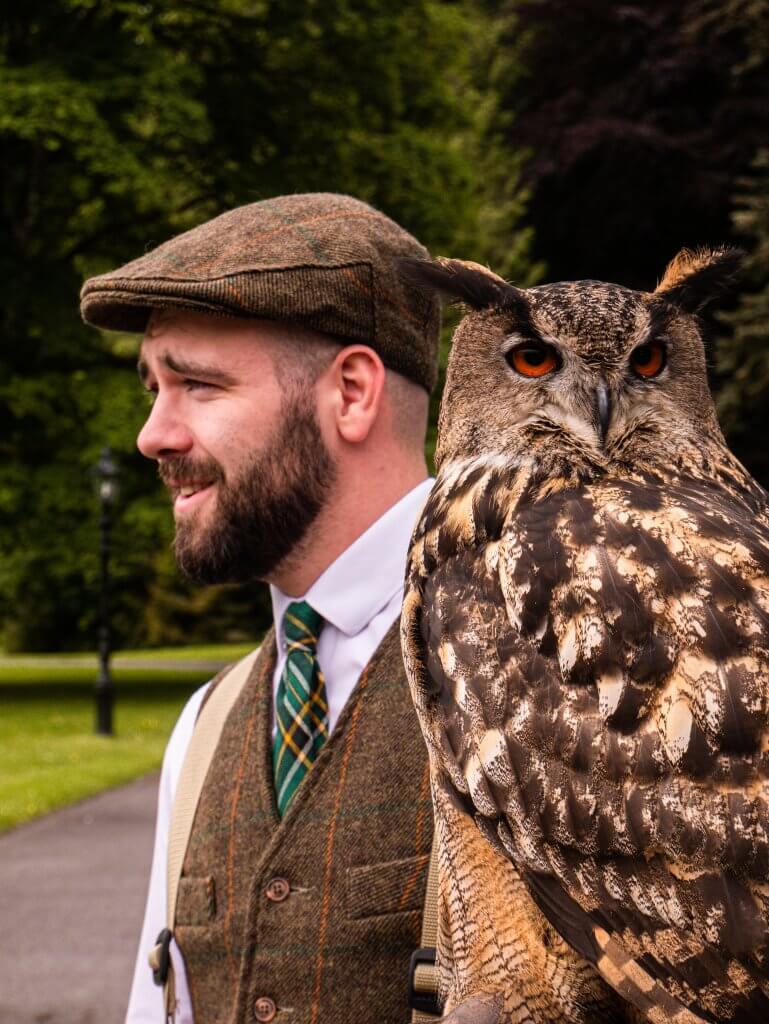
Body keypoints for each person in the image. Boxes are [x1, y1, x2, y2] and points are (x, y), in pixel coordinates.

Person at [79, 193, 441, 1024]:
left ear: (351, 392)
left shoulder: (548, 677)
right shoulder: (204, 729)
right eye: (153, 387)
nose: (152, 434)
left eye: (196, 385)